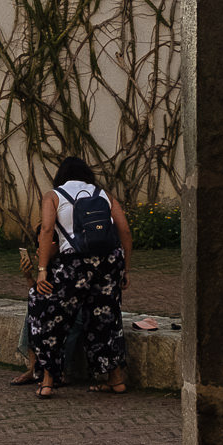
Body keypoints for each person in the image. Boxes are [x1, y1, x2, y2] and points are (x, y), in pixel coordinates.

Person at [27, 157, 132, 400]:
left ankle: (47, 381)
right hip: (109, 263)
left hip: (73, 264)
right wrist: (126, 269)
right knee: (106, 318)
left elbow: (46, 230)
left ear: (61, 175)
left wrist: (42, 269)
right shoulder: (103, 194)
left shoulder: (53, 195)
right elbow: (124, 229)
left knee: (52, 317)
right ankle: (116, 379)